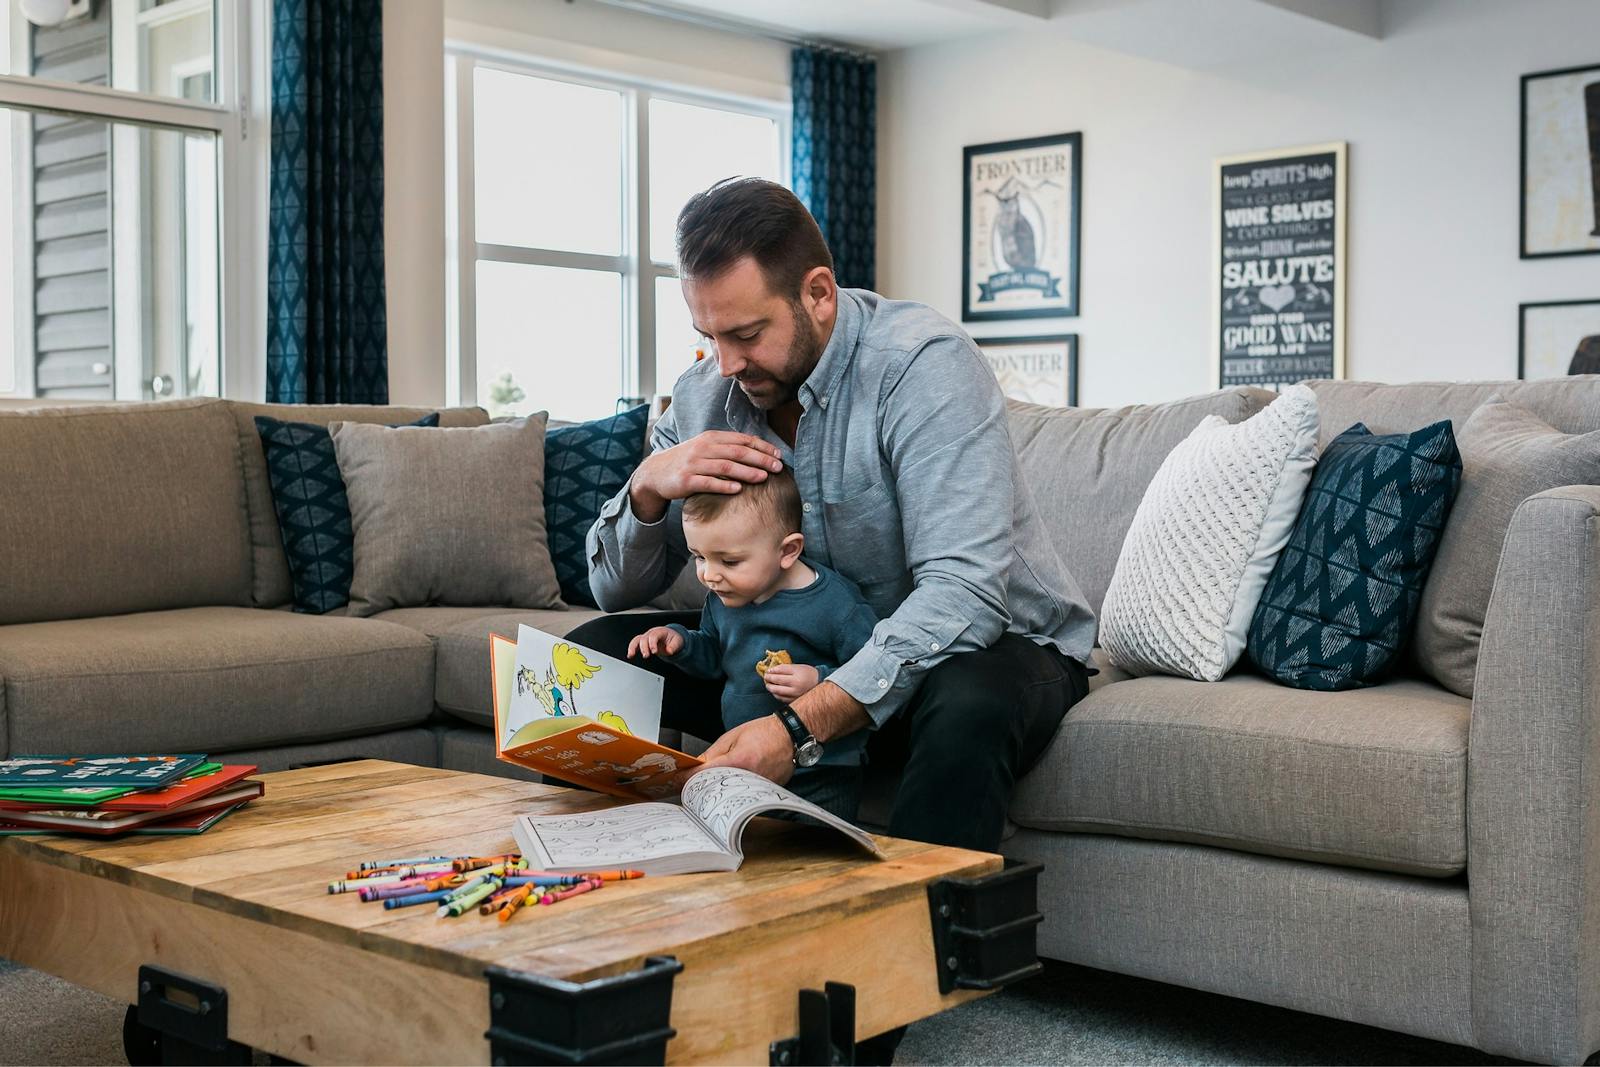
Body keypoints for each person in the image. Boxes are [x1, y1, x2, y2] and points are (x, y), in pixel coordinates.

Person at [572, 176, 1097, 857]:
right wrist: (648, 484)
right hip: (795, 658)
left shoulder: (920, 366)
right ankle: (609, 886)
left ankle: (915, 952)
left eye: (747, 333)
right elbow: (614, 590)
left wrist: (795, 729)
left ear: (818, 294)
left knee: (970, 700)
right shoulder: (706, 394)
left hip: (989, 650)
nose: (725, 363)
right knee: (590, 656)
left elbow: (964, 594)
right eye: (707, 335)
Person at [626, 466, 878, 822]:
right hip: (746, 765)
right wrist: (681, 644)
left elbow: (876, 672)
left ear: (788, 551)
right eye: (699, 557)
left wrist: (819, 681)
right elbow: (716, 656)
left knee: (816, 853)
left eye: (729, 561)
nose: (709, 575)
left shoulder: (836, 604)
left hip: (823, 770)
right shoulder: (723, 596)